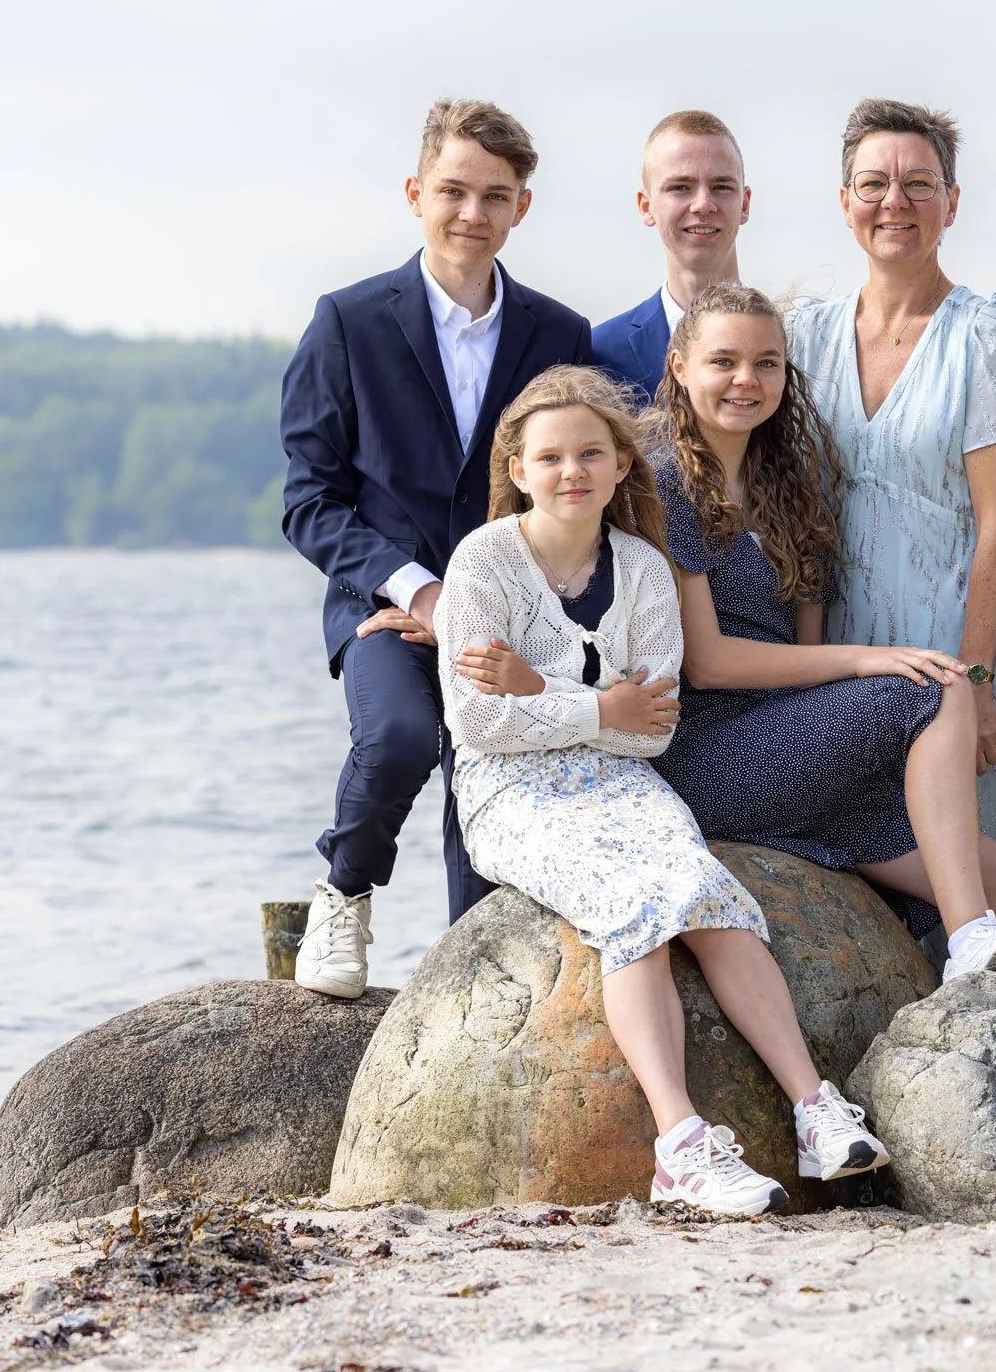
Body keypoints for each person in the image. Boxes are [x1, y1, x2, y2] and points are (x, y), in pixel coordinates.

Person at [435, 365, 892, 1215]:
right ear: (520, 470)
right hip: (508, 793)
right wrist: (599, 701)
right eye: (552, 457)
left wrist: (542, 690)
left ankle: (812, 1109)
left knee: (708, 890)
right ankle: (680, 1143)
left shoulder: (644, 567)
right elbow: (478, 726)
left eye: (591, 454)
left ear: (618, 468)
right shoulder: (482, 565)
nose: (572, 471)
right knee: (634, 900)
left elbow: (655, 727)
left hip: (622, 778)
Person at [641, 283, 996, 982]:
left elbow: (805, 656)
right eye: (723, 361)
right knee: (940, 687)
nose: (746, 381)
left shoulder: (789, 486)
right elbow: (710, 665)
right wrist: (871, 661)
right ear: (678, 366)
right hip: (705, 754)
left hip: (786, 746)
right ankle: (969, 939)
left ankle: (981, 1053)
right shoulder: (665, 486)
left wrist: (845, 734)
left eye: (767, 364)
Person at [279, 97, 592, 998]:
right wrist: (420, 594)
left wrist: (502, 605)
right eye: (453, 191)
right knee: (403, 738)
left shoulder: (560, 335)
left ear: (521, 208)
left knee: (488, 785)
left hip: (509, 612)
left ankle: (474, 968)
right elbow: (309, 500)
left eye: (495, 196)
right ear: (417, 192)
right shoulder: (347, 323)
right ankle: (344, 893)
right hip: (384, 602)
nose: (472, 214)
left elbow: (569, 484)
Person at [788, 99, 996, 850]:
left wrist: (979, 683)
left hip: (949, 655)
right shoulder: (806, 336)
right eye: (873, 184)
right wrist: (798, 675)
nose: (894, 202)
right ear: (845, 204)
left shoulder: (984, 335)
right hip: (837, 656)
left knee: (964, 867)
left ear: (951, 203)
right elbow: (794, 516)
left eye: (919, 184)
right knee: (850, 872)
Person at [592, 110, 749, 404]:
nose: (703, 204)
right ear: (646, 206)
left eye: (721, 187)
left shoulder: (794, 342)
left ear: (745, 204)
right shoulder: (598, 355)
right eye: (680, 187)